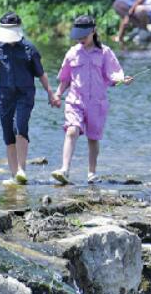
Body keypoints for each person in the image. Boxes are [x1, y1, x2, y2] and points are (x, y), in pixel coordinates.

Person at [50, 15, 133, 185]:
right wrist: (57, 94)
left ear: (93, 32)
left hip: (97, 103)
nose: (81, 39)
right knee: (71, 130)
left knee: (93, 138)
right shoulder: (72, 53)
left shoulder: (105, 53)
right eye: (78, 36)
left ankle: (91, 173)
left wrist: (122, 79)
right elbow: (65, 78)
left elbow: (113, 74)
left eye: (84, 36)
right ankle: (64, 169)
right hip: (75, 101)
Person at [0, 12, 57, 186]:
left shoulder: (30, 49)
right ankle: (14, 175)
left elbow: (41, 75)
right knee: (8, 134)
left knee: (20, 127)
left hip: (25, 95)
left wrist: (51, 94)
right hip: (5, 96)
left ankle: (22, 169)